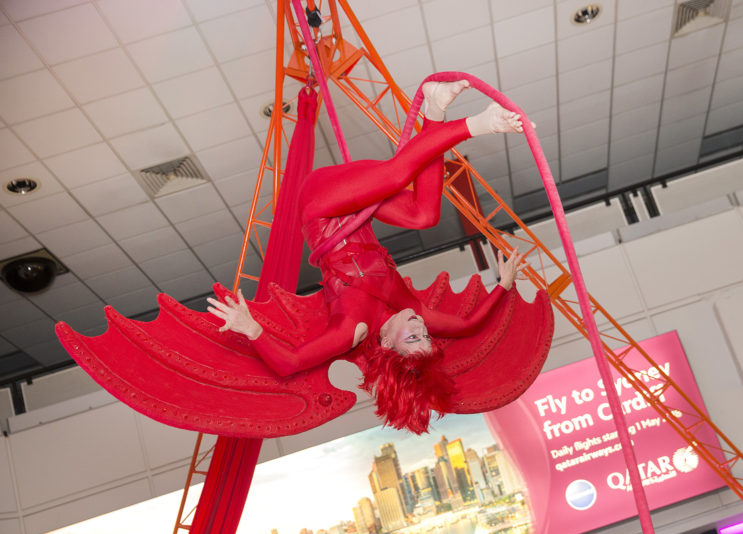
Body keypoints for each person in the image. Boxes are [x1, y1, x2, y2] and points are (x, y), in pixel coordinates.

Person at [208, 80, 531, 433]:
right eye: (427, 338)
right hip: (358, 209)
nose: (422, 328)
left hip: (322, 207)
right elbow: (470, 325)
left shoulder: (352, 329)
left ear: (388, 346)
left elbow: (290, 364)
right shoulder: (414, 312)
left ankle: (480, 124)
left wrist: (251, 328)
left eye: (413, 338)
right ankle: (435, 110)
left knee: (396, 174)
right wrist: (503, 285)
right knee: (425, 215)